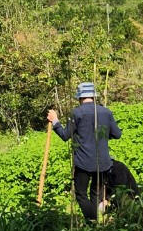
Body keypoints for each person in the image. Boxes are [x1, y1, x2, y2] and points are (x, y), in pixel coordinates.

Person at [47, 84, 121, 222]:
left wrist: (55, 121)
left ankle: (92, 221)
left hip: (83, 163)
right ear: (94, 96)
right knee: (96, 194)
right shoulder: (106, 112)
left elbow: (65, 135)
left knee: (81, 194)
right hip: (103, 163)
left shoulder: (77, 113)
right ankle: (95, 224)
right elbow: (117, 134)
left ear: (80, 97)